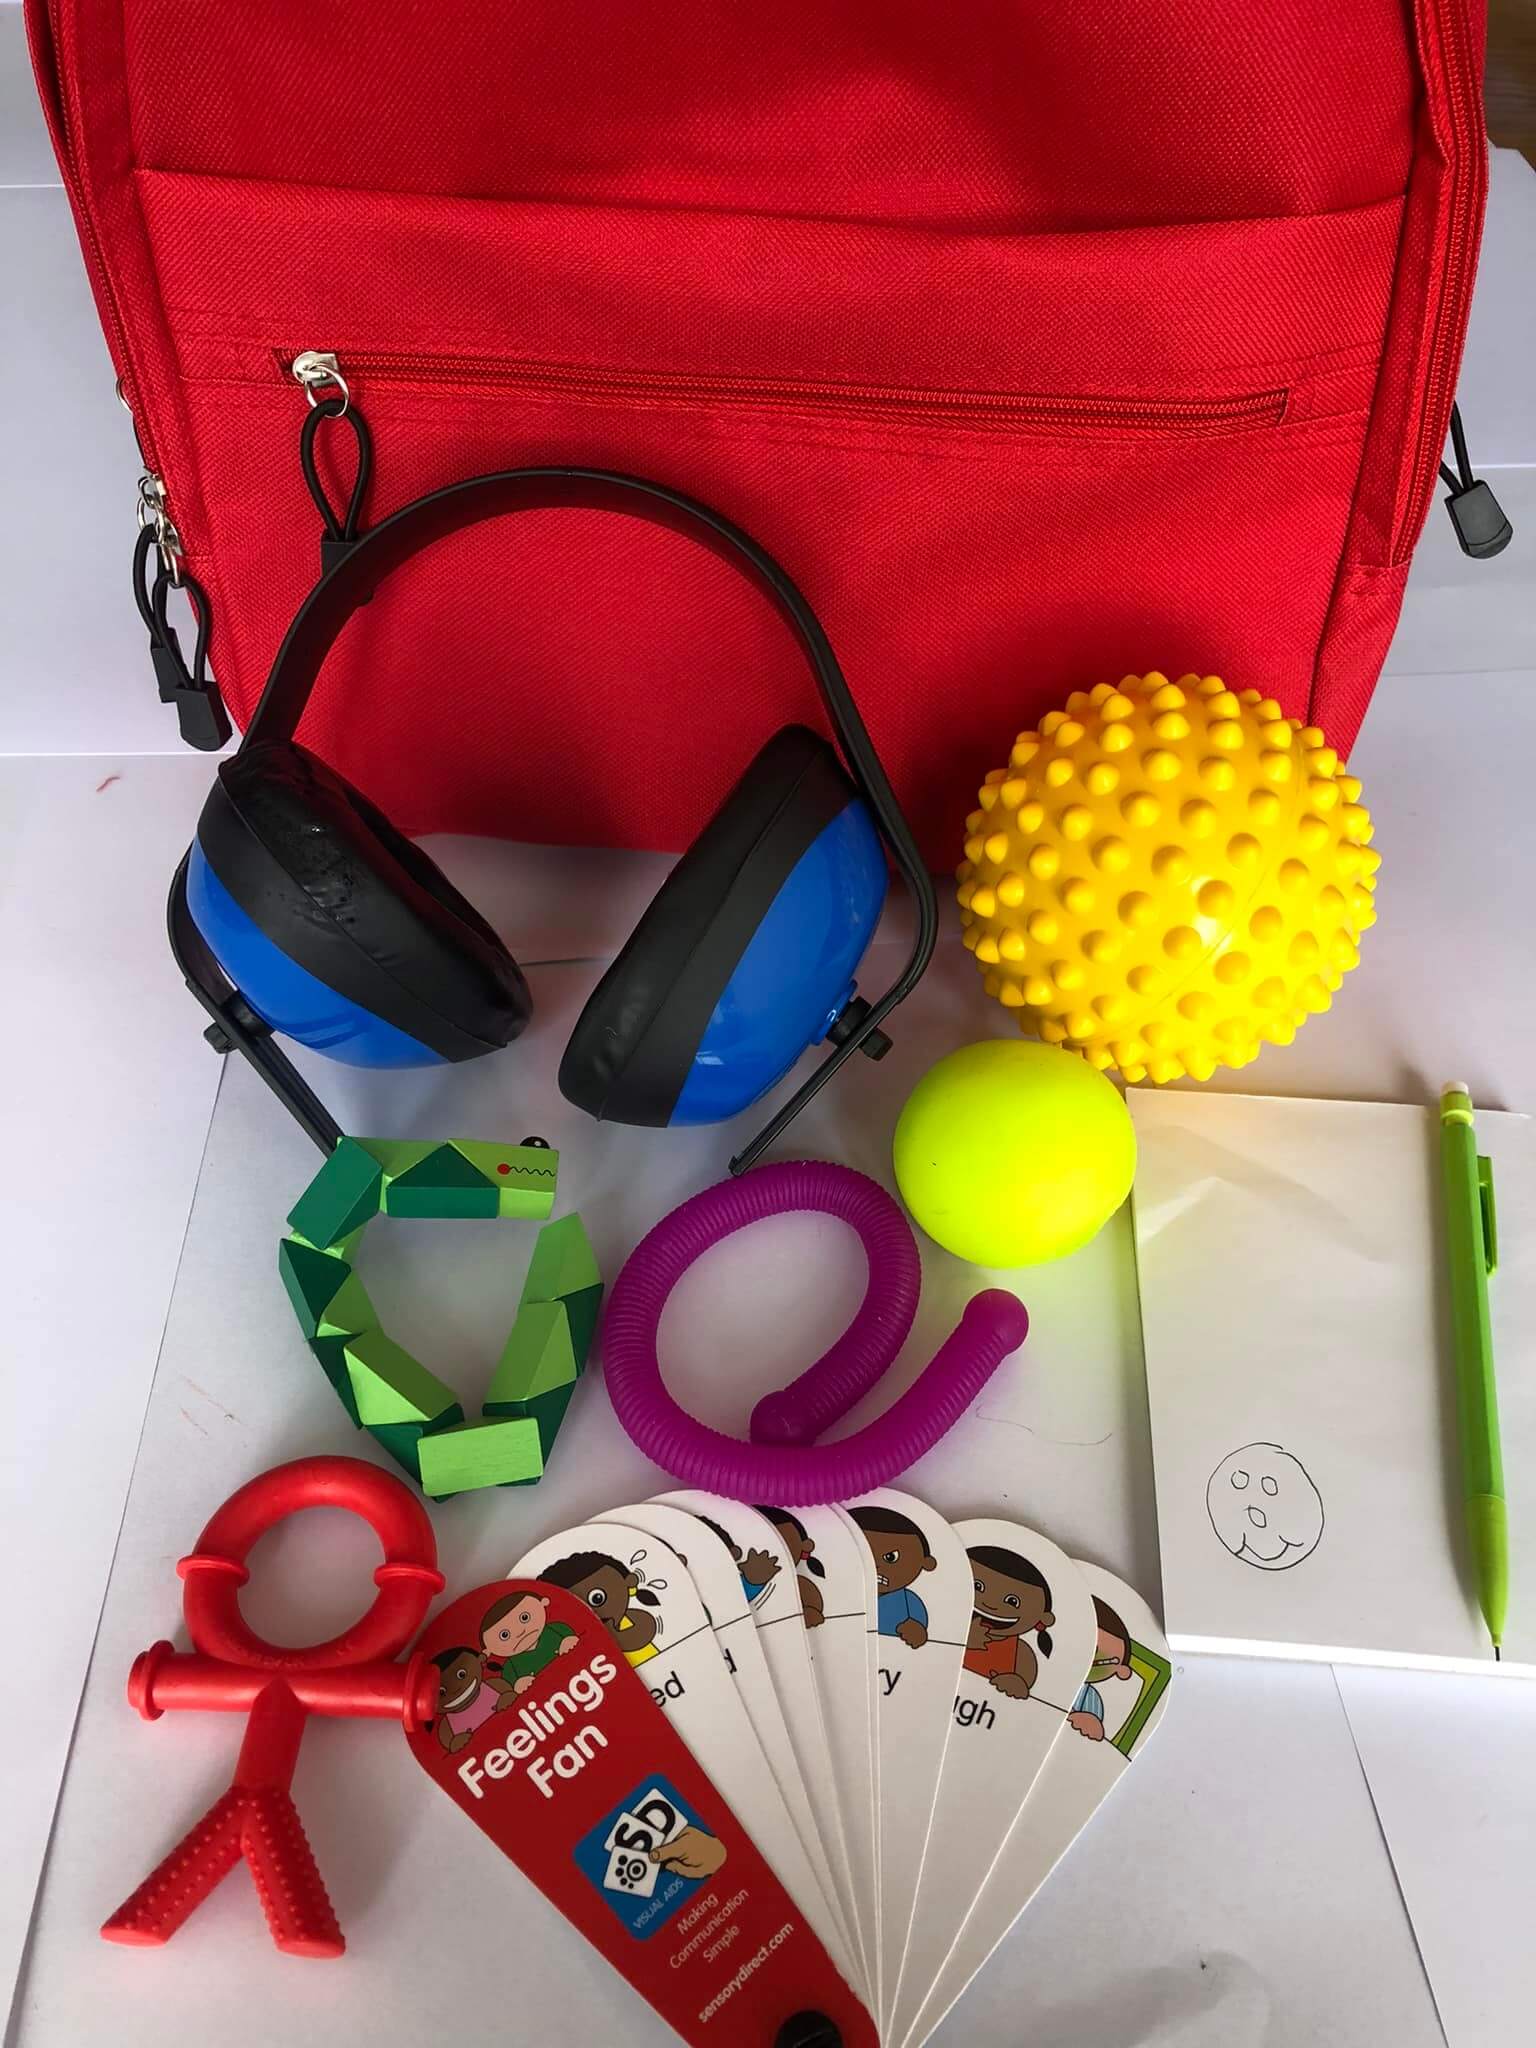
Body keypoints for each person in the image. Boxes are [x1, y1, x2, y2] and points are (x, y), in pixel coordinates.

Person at [962, 1544, 1054, 1700]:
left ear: (1044, 1618)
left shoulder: (1019, 1652)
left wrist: (1017, 1683)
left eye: (1012, 1601)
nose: (989, 1604)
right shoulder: (953, 1625)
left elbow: (1025, 1685)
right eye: (977, 1586)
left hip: (985, 1708)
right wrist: (962, 1641)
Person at [850, 1504, 938, 1647]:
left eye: (891, 1557)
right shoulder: (841, 1593)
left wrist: (917, 1633)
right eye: (863, 1554)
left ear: (926, 1563)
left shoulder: (909, 1604)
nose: (875, 1565)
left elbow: (920, 1636)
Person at [480, 1589, 578, 1695]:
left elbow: (577, 1640)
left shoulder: (556, 1629)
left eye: (524, 1617)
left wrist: (569, 1641)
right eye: (504, 1635)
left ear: (543, 1602)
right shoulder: (510, 1667)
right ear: (488, 1650)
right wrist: (519, 1685)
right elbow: (513, 1689)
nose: (520, 1632)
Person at [1069, 1596, 1135, 1739]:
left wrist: (1091, 1724)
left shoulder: (1090, 1699)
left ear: (1122, 1671)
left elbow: (1095, 1732)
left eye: (1096, 1649)